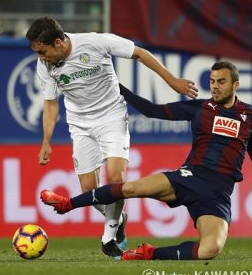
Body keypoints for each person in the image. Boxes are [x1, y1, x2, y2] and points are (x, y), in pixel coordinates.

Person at [41, 60, 252, 260]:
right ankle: (67, 204)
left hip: (218, 194)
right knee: (130, 188)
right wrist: (117, 87)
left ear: (236, 85)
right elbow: (152, 110)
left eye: (221, 82)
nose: (215, 86)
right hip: (189, 177)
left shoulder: (251, 115)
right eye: (212, 81)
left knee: (210, 249)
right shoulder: (199, 108)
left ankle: (148, 253)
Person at [26, 17, 198, 259]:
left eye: (43, 52)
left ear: (58, 42)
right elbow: (51, 103)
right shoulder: (44, 66)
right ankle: (119, 217)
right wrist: (46, 141)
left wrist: (172, 80)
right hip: (80, 124)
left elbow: (140, 53)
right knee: (89, 189)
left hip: (111, 116)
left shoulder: (96, 42)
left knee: (116, 178)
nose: (41, 58)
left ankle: (109, 236)